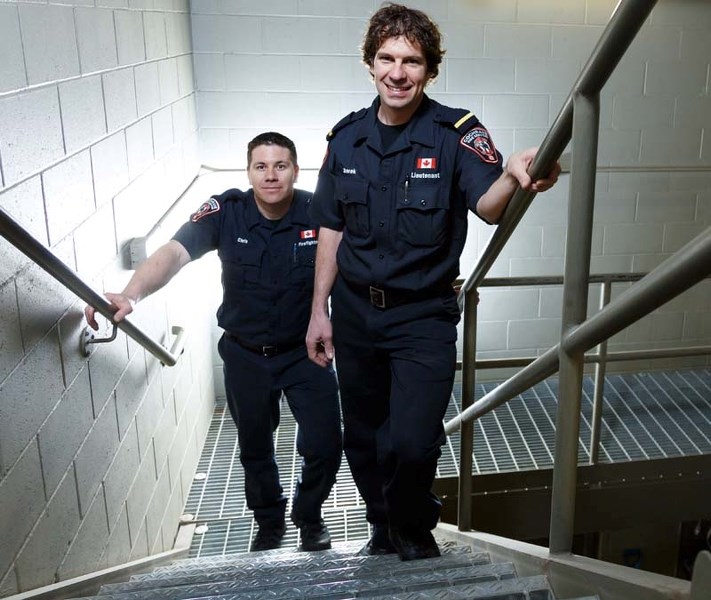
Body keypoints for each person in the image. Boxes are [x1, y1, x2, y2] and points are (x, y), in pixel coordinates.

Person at [305, 3, 560, 561]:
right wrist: (318, 309)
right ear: (370, 65)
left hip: (422, 316)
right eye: (387, 58)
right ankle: (384, 525)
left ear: (429, 70)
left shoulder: (456, 133)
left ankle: (413, 527)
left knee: (414, 442)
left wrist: (516, 173)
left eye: (412, 61)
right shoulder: (345, 139)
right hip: (353, 312)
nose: (398, 72)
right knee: (363, 440)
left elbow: (489, 208)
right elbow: (330, 226)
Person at [86, 132, 343, 553]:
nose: (271, 175)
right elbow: (175, 252)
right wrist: (130, 293)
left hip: (305, 353)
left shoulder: (319, 211)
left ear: (296, 170)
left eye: (281, 166)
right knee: (255, 448)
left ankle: (309, 515)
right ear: (248, 172)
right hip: (245, 355)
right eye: (261, 166)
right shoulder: (226, 211)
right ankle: (269, 521)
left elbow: (361, 258)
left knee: (326, 442)